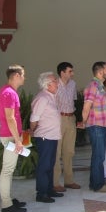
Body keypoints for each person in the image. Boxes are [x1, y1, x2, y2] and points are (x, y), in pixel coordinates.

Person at [0, 64, 28, 212]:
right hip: (10, 135)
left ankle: (8, 199)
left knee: (9, 169)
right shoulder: (9, 93)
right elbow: (10, 118)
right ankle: (6, 204)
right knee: (8, 170)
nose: (24, 78)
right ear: (16, 76)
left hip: (9, 134)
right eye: (23, 75)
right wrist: (18, 140)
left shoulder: (6, 91)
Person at [30, 72, 64, 203]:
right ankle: (42, 193)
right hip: (45, 137)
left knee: (50, 164)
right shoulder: (42, 98)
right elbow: (34, 118)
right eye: (55, 81)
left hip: (52, 136)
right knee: (44, 165)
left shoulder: (51, 96)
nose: (57, 83)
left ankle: (49, 190)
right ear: (48, 84)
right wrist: (32, 130)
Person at [81, 61, 106, 193]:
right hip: (96, 125)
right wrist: (83, 122)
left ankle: (94, 183)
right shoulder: (93, 86)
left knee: (98, 156)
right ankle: (99, 185)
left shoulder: (99, 85)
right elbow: (86, 106)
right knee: (99, 156)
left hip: (101, 125)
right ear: (100, 71)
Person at [53, 61, 81, 192]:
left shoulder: (73, 84)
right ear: (62, 72)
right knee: (57, 152)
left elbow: (74, 101)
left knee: (69, 151)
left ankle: (69, 181)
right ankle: (55, 183)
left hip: (71, 118)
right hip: (58, 119)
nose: (72, 73)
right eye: (70, 71)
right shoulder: (54, 85)